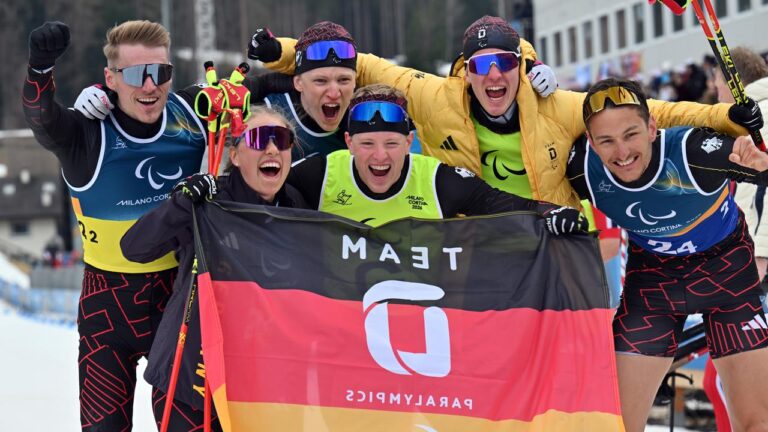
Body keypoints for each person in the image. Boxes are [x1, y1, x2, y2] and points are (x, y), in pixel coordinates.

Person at [251, 16, 762, 209]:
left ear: (521, 65)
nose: (493, 77)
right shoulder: (434, 97)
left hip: (551, 241)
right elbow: (356, 61)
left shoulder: (556, 105)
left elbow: (654, 112)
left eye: (504, 64)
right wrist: (280, 54)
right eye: (481, 66)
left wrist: (725, 119)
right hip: (477, 251)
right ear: (465, 70)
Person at [22, 20, 211, 430]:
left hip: (178, 301)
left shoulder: (191, 117)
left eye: (160, 73)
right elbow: (41, 117)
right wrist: (40, 68)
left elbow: (267, 90)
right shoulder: (86, 131)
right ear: (110, 78)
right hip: (107, 308)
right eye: (133, 74)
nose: (149, 86)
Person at [566, 77, 768, 432]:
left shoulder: (693, 152)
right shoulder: (582, 168)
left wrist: (760, 160)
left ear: (652, 127)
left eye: (631, 134)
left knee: (756, 423)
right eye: (607, 142)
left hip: (725, 273)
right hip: (654, 283)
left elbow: (755, 163)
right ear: (592, 145)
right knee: (614, 424)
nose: (622, 153)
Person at [120, 106, 307, 431]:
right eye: (260, 139)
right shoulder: (209, 200)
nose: (273, 148)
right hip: (191, 374)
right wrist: (180, 204)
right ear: (234, 155)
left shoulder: (295, 205)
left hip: (258, 381)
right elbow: (134, 248)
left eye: (283, 139)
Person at [287, 83, 587, 234]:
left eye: (391, 143)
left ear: (408, 142)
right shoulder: (321, 173)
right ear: (349, 143)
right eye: (367, 143)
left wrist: (551, 213)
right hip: (341, 321)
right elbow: (257, 196)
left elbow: (499, 203)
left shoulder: (435, 180)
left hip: (420, 327)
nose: (380, 156)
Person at [705, 46, 768, 432]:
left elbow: (757, 193)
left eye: (716, 89)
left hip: (757, 271)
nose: (714, 99)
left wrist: (755, 260)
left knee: (731, 387)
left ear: (731, 85)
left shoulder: (755, 122)